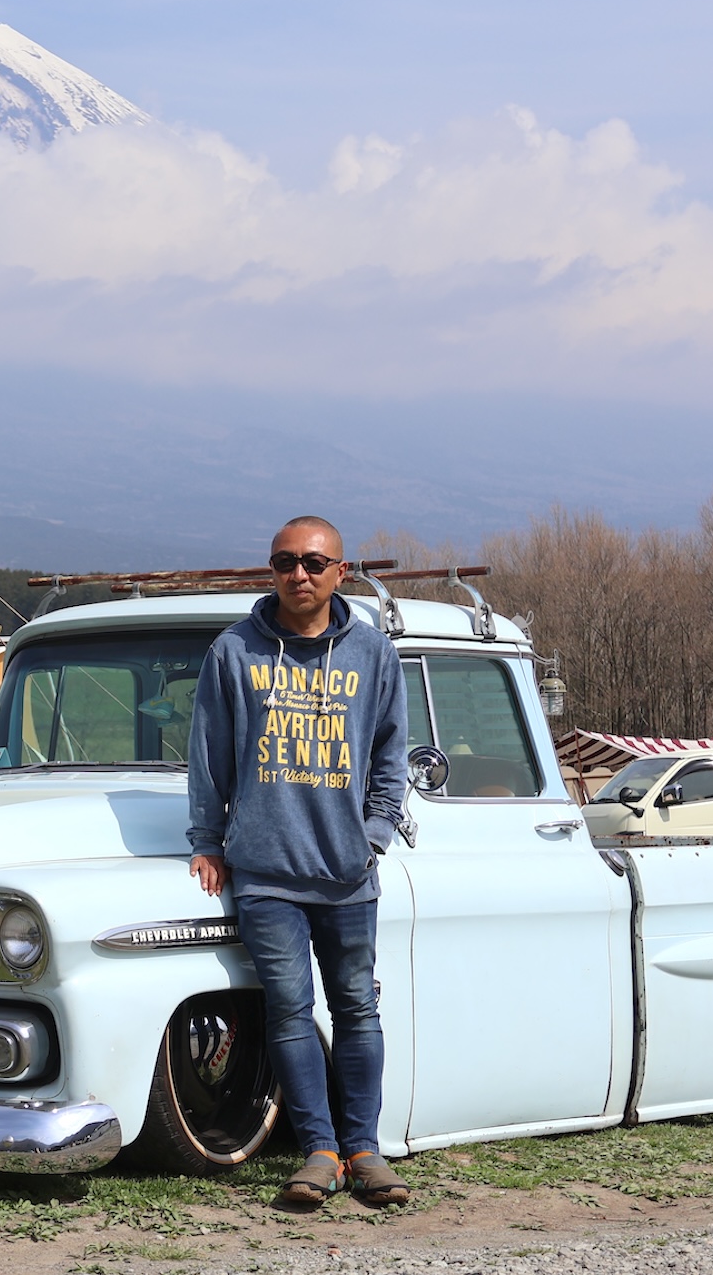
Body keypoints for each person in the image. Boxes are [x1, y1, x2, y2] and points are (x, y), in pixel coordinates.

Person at [185, 516, 412, 1207]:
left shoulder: (373, 654)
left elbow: (390, 755)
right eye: (286, 562)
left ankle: (365, 1151)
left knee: (358, 1013)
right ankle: (319, 1153)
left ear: (341, 572)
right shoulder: (235, 652)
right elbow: (209, 754)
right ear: (272, 569)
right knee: (289, 1013)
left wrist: (372, 835)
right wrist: (206, 841)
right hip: (265, 875)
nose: (299, 574)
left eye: (315, 563)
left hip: (348, 874)